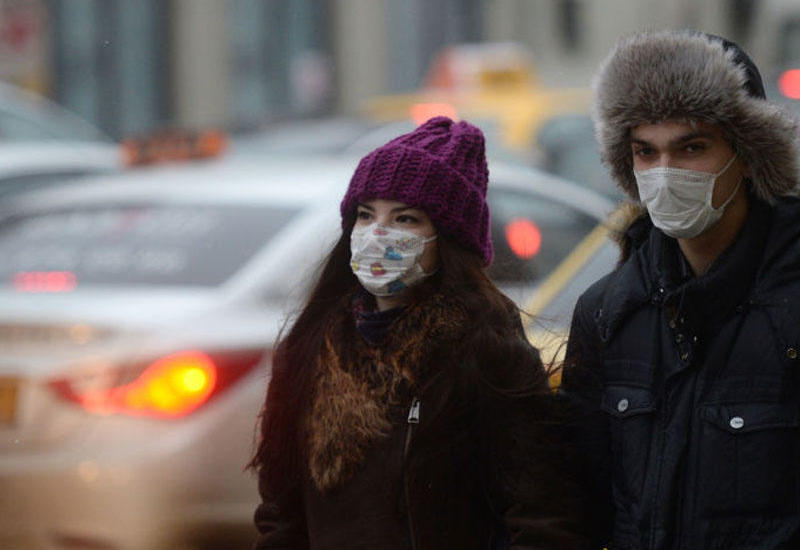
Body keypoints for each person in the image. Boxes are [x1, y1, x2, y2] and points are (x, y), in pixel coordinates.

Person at [249, 116, 588, 549]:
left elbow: (543, 515)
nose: (377, 234)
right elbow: (280, 516)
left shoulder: (484, 349)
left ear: (445, 241)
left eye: (405, 219)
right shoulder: (311, 348)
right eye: (366, 215)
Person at [560, 30, 800, 549]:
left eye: (691, 147)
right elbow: (578, 502)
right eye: (646, 152)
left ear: (747, 152)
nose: (666, 173)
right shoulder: (607, 312)